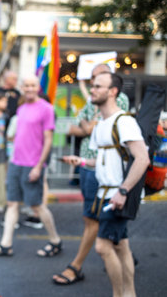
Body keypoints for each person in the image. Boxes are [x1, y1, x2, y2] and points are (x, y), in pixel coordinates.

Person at [62, 72, 149, 297]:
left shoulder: (124, 121)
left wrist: (123, 191)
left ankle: (119, 295)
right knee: (121, 245)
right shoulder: (101, 125)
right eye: (92, 86)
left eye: (98, 86)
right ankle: (129, 293)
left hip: (117, 195)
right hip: (104, 193)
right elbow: (102, 159)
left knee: (103, 246)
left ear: (113, 92)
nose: (92, 90)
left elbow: (142, 158)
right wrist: (81, 161)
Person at [53, 64, 129, 285]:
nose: (93, 86)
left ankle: (75, 266)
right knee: (100, 223)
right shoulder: (92, 101)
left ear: (111, 86)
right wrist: (88, 127)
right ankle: (123, 267)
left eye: (99, 81)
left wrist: (88, 127)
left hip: (105, 171)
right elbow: (76, 129)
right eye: (93, 80)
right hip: (87, 165)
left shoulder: (120, 103)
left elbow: (90, 128)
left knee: (93, 221)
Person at [0, 74, 62, 257]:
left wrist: (39, 166)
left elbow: (48, 140)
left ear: (38, 87)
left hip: (33, 165)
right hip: (16, 163)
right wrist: (12, 160)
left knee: (37, 206)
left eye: (33, 85)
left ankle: (55, 241)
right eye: (26, 85)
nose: (29, 88)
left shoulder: (46, 109)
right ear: (22, 87)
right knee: (12, 204)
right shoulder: (21, 109)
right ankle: (6, 244)